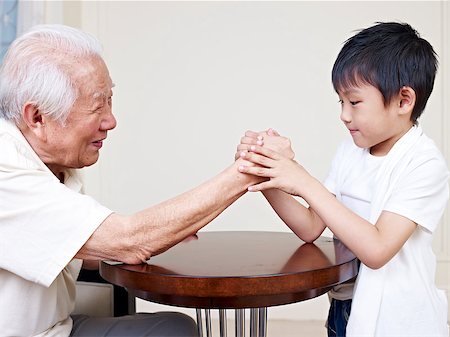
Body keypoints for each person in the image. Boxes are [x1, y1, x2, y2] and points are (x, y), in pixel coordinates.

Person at [0, 24, 260, 337]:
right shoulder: (6, 168)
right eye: (97, 106)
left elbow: (76, 246)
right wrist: (249, 169)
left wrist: (161, 236)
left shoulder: (55, 165)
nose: (111, 121)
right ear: (37, 117)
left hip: (58, 327)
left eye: (110, 100)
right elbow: (128, 239)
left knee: (174, 327)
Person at [237, 22, 449, 336]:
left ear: (404, 101)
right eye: (341, 102)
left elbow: (377, 249)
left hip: (399, 321)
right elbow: (311, 226)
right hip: (346, 309)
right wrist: (270, 171)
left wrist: (302, 180)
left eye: (354, 102)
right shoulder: (351, 152)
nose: (344, 115)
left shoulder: (423, 163)